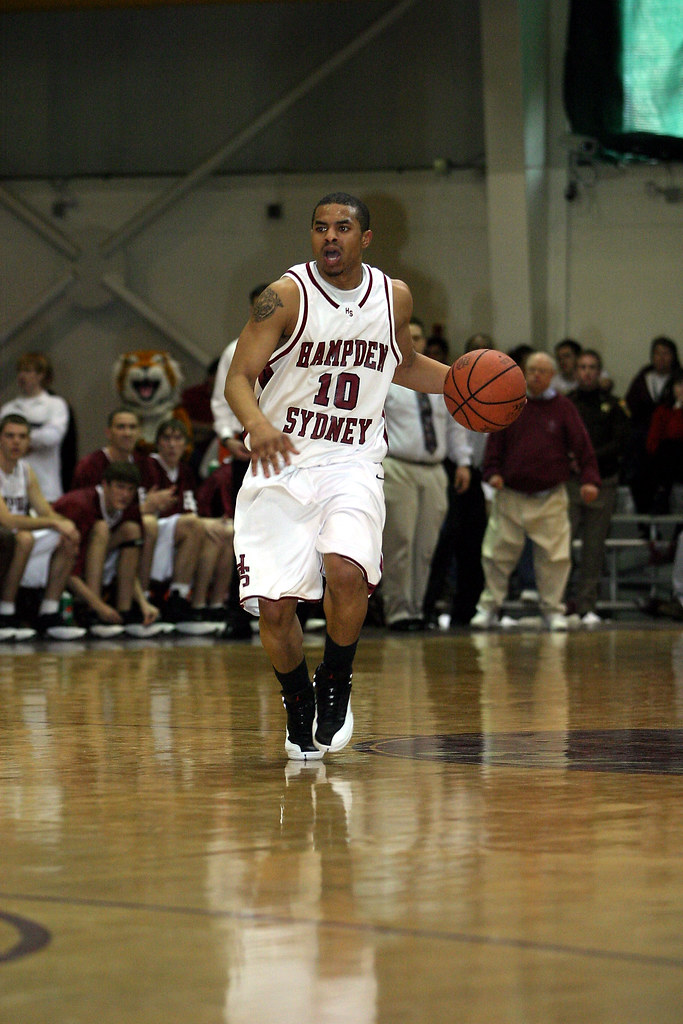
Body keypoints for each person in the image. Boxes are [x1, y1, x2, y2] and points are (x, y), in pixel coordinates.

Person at [224, 192, 450, 761]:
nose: (330, 237)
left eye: (343, 227)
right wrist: (258, 426)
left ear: (365, 238)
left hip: (352, 460)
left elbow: (401, 363)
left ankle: (336, 679)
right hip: (282, 462)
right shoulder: (283, 296)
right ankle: (296, 695)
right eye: (321, 227)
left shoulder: (393, 296)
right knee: (276, 609)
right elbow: (238, 376)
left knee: (347, 570)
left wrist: (464, 382)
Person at [471, 351, 601, 631]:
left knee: (555, 558)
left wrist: (590, 479)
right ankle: (488, 608)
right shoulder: (511, 403)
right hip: (511, 494)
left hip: (550, 496)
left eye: (542, 370)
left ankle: (553, 611)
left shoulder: (564, 407)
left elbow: (582, 446)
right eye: (531, 370)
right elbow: (494, 444)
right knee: (496, 554)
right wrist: (492, 472)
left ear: (552, 375)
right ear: (523, 372)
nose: (536, 375)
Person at [381, 316, 472, 631]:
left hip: (434, 469)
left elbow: (454, 421)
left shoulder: (437, 379)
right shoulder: (385, 378)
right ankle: (397, 610)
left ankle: (418, 609)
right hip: (398, 466)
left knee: (426, 547)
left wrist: (463, 461)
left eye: (419, 338)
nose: (416, 342)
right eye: (411, 336)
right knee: (400, 542)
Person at [211, 283, 269, 640]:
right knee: (245, 531)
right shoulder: (236, 349)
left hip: (287, 454)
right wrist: (227, 439)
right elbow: (221, 401)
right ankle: (239, 611)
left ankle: (299, 605)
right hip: (246, 454)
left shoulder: (296, 346)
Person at [142, 418, 234, 632]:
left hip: (181, 531)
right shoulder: (147, 466)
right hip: (152, 529)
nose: (172, 444)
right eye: (166, 438)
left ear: (186, 444)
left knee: (226, 531)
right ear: (157, 443)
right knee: (195, 525)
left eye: (178, 438)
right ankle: (178, 597)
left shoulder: (185, 472)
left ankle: (208, 605)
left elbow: (192, 511)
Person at [0, 413, 85, 641]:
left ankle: (49, 612)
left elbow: (44, 509)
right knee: (25, 538)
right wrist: (53, 522)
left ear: (29, 441)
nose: (16, 442)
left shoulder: (26, 470)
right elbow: (6, 520)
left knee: (68, 536)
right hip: (5, 540)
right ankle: (6, 613)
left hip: (18, 539)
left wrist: (64, 524)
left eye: (22, 436)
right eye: (9, 436)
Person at [54, 462, 163, 637]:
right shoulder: (80, 505)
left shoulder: (129, 509)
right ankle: (92, 612)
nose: (125, 495)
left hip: (90, 561)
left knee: (132, 529)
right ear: (104, 485)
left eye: (130, 489)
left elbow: (130, 561)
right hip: (54, 564)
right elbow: (68, 568)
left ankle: (126, 610)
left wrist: (143, 603)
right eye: (120, 487)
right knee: (101, 528)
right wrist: (99, 606)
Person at [567, 349, 631, 624]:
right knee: (561, 548)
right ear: (575, 371)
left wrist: (588, 458)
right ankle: (558, 604)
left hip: (603, 481)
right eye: (582, 367)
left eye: (592, 367)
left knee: (594, 548)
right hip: (570, 481)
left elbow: (620, 442)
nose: (587, 372)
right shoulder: (566, 403)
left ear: (600, 371)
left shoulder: (614, 405)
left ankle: (586, 606)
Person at [0, 352, 70, 501]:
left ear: (41, 375)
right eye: (20, 371)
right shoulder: (9, 408)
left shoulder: (55, 404)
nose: (22, 376)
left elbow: (52, 436)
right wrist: (31, 440)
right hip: (13, 489)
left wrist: (20, 440)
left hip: (46, 488)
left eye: (27, 371)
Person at [623, 335, 680, 515]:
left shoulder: (678, 379)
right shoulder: (642, 378)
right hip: (645, 432)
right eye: (657, 353)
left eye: (666, 353)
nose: (661, 358)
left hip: (672, 437)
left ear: (673, 356)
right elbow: (630, 404)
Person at [644, 368, 683, 514]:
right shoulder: (662, 411)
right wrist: (678, 409)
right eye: (679, 385)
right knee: (669, 447)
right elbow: (653, 442)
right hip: (666, 461)